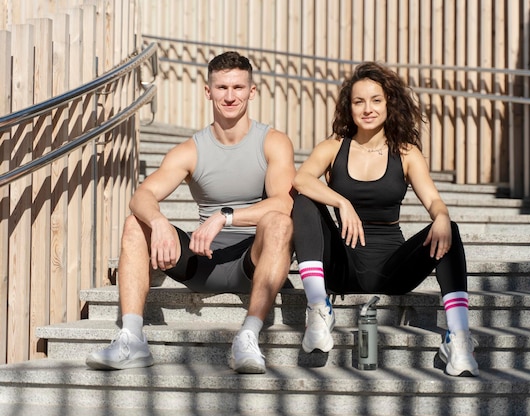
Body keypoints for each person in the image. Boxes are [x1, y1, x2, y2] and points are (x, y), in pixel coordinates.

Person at [86, 51, 296, 374]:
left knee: (281, 223)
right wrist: (158, 222)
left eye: (238, 88)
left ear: (252, 92)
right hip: (204, 261)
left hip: (251, 262)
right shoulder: (190, 150)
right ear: (208, 91)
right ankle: (132, 339)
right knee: (135, 223)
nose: (230, 96)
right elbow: (142, 195)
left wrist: (225, 217)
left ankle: (248, 337)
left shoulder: (273, 142)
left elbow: (284, 202)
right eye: (222, 87)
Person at [291, 61, 479, 377]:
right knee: (305, 200)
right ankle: (319, 308)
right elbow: (301, 179)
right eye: (359, 101)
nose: (368, 109)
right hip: (343, 266)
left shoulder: (406, 152)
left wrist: (442, 215)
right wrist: (341, 202)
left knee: (448, 227)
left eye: (376, 100)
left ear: (389, 103)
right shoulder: (334, 147)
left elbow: (432, 199)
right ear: (348, 107)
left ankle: (459, 340)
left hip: (393, 269)